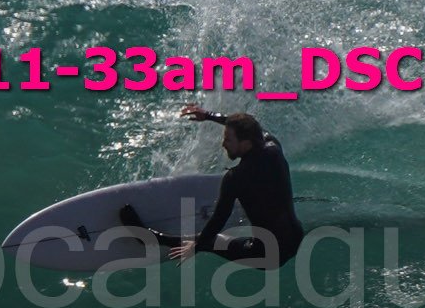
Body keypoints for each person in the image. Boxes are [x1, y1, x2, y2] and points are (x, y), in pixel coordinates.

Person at [121, 104, 304, 266]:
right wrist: (207, 115)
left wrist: (196, 247)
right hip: (295, 239)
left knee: (211, 240)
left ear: (246, 143)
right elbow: (253, 128)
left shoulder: (235, 178)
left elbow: (217, 221)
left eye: (229, 139)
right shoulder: (274, 148)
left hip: (266, 255)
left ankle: (152, 239)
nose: (223, 144)